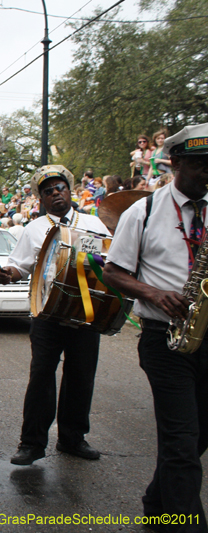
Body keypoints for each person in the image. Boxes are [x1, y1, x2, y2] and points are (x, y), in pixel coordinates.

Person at [103, 124, 208, 531]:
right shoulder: (142, 211)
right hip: (165, 340)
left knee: (197, 436)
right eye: (200, 164)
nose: (206, 172)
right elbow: (113, 271)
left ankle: (157, 499)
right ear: (176, 162)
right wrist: (154, 293)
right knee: (181, 444)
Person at [0, 165, 109, 466]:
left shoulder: (93, 223)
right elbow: (20, 265)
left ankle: (73, 438)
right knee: (41, 377)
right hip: (47, 313)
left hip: (86, 312)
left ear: (70, 192)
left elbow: (109, 259)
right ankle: (32, 443)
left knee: (81, 377)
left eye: (60, 188)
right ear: (41, 199)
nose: (56, 193)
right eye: (48, 191)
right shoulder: (34, 229)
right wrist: (10, 272)